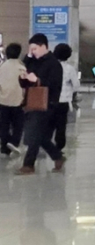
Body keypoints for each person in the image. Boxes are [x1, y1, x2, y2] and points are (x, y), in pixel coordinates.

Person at [17, 34, 65, 175]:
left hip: (47, 104)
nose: (33, 52)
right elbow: (26, 80)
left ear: (44, 46)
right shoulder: (33, 62)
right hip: (32, 102)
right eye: (31, 49)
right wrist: (24, 77)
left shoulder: (54, 64)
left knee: (33, 133)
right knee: (40, 136)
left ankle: (28, 164)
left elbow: (54, 85)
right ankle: (57, 156)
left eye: (35, 49)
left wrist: (37, 79)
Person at [51, 43, 79, 152]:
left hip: (50, 100)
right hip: (64, 101)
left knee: (49, 124)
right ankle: (59, 146)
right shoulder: (69, 69)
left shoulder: (51, 66)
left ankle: (46, 143)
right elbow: (76, 85)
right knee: (61, 125)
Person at [0, 43, 25, 155]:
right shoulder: (21, 68)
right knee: (18, 125)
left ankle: (4, 148)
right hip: (17, 101)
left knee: (3, 125)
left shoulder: (2, 67)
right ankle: (14, 142)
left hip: (3, 100)